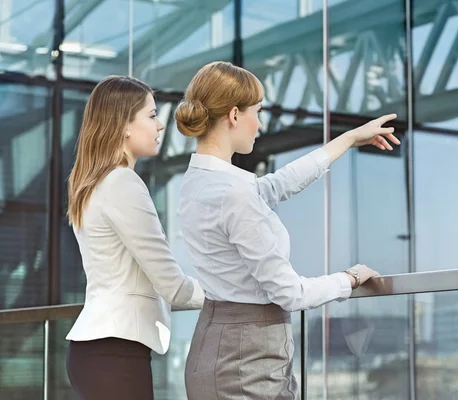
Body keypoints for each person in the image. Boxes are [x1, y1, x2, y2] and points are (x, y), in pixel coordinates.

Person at [174, 61, 400, 399]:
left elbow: (279, 184)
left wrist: (349, 139)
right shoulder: (233, 193)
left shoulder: (197, 183)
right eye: (258, 112)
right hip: (247, 357)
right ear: (234, 115)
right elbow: (289, 293)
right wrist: (349, 278)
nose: (260, 125)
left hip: (216, 342)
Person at [64, 75, 205, 400]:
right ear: (124, 125)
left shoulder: (95, 183)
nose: (160, 126)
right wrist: (231, 291)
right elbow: (174, 287)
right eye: (152, 115)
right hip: (115, 353)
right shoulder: (122, 183)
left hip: (101, 352)